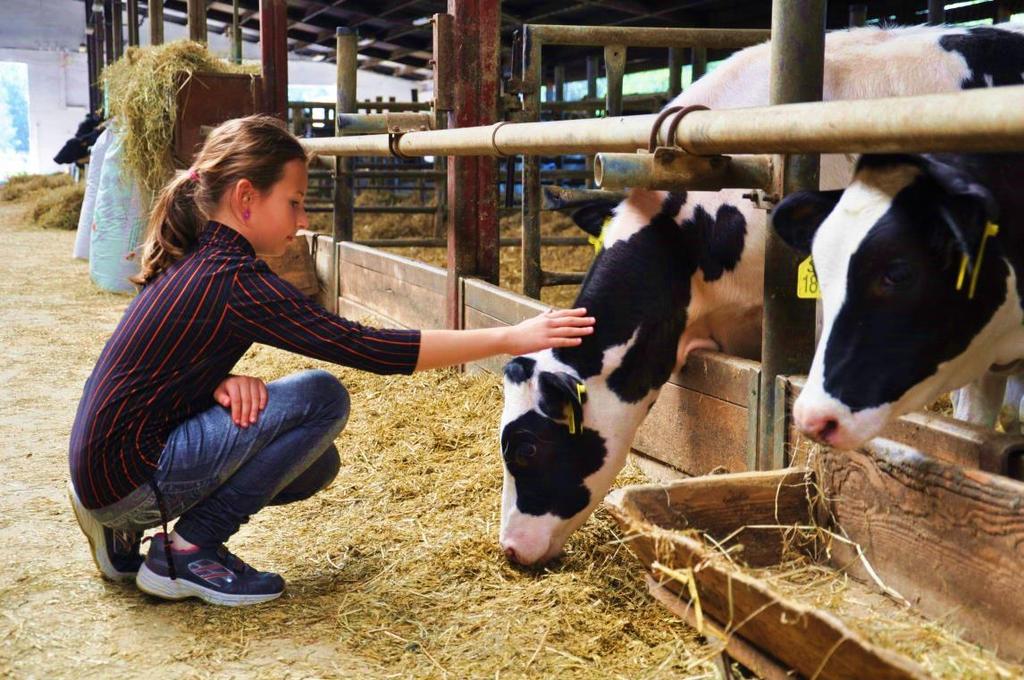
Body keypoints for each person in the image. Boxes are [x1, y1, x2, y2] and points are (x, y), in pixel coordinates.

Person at [67, 114, 595, 606]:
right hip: (127, 476)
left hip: (104, 465)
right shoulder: (233, 279)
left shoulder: (203, 260)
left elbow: (150, 367)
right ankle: (185, 553)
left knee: (315, 462)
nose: (304, 218)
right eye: (295, 202)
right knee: (322, 396)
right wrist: (509, 336)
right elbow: (370, 349)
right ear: (246, 199)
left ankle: (125, 527)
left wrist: (216, 381)